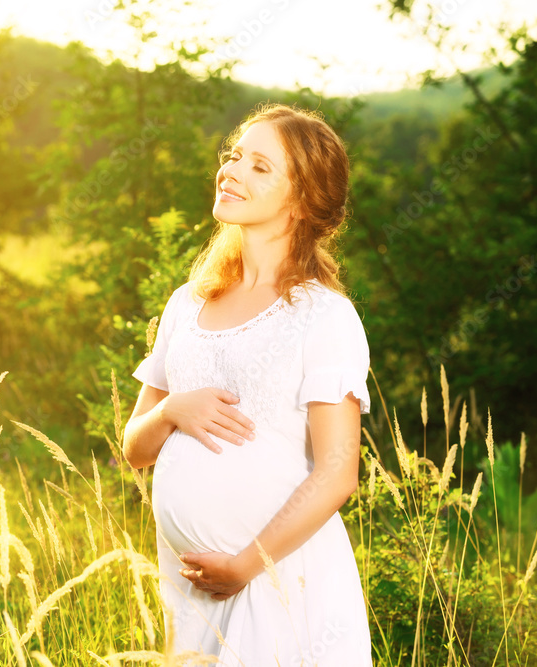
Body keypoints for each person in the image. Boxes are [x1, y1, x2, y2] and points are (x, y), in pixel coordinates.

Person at [124, 103, 375, 665]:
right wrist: (170, 412)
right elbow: (134, 449)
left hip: (284, 581)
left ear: (303, 199)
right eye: (235, 155)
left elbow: (339, 473)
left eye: (260, 166)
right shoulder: (187, 304)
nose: (231, 170)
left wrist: (246, 564)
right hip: (196, 592)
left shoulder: (323, 315)